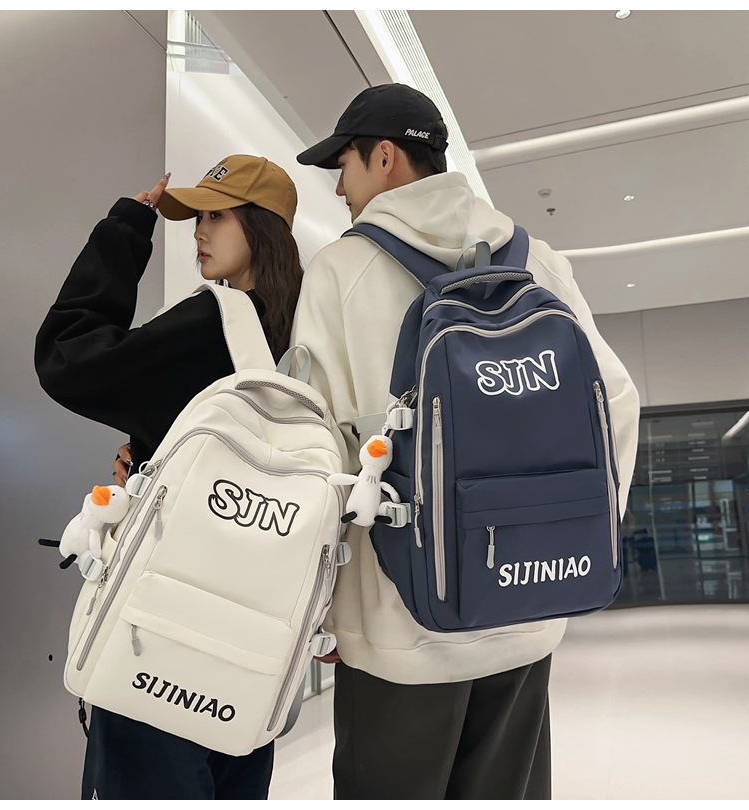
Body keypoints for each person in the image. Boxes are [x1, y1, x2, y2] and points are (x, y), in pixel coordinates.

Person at [290, 83, 641, 800]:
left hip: (398, 631)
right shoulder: (539, 261)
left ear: (384, 157)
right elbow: (619, 404)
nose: (339, 188)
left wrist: (319, 609)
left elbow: (315, 451)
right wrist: (571, 535)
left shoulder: (340, 271)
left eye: (343, 166)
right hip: (528, 614)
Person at [34, 154, 303, 800]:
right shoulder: (296, 333)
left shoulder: (212, 322)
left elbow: (68, 357)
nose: (198, 232)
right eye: (195, 219)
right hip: (252, 645)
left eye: (216, 216)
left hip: (162, 639)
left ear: (260, 228)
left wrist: (126, 230)